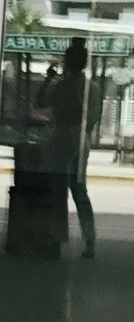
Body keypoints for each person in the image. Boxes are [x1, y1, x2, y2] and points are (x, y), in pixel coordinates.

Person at [42, 38, 99, 258]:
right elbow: (92, 118)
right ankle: (89, 239)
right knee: (78, 189)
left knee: (60, 190)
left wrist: (50, 80)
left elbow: (41, 102)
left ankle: (57, 239)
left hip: (65, 136)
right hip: (80, 139)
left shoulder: (66, 86)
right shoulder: (92, 88)